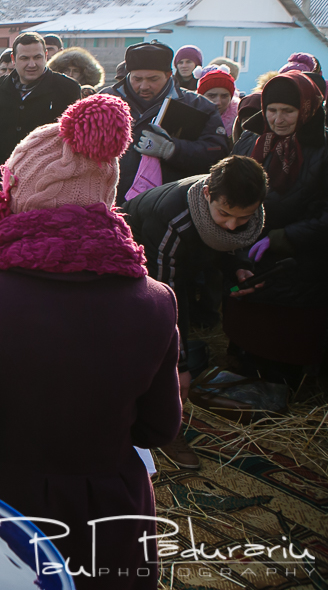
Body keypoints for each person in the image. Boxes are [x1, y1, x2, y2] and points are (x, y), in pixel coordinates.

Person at [0, 93, 181, 589]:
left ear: (20, 196)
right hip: (113, 527)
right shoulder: (157, 300)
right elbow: (159, 428)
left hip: (10, 526)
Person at [123, 155, 267, 468]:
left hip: (180, 264)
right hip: (134, 264)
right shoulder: (173, 220)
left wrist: (239, 268)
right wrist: (178, 363)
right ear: (206, 195)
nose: (232, 225)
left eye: (242, 219)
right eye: (225, 214)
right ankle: (159, 422)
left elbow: (226, 243)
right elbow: (166, 301)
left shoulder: (237, 208)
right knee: (143, 345)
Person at [226, 72, 327, 380]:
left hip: (301, 257)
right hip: (247, 244)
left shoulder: (322, 149)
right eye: (272, 110)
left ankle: (287, 382)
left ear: (306, 109)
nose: (278, 119)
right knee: (249, 316)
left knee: (288, 332)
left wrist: (284, 237)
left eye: (288, 111)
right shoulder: (250, 140)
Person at [103, 41, 229, 204]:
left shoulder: (198, 106)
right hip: (110, 202)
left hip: (172, 206)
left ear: (169, 74)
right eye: (137, 79)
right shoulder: (104, 102)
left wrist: (172, 150)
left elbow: (218, 153)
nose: (144, 86)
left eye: (153, 79)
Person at [0, 31, 82, 169]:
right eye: (24, 58)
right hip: (3, 174)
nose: (32, 64)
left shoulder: (67, 88)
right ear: (13, 58)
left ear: (46, 56)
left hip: (47, 176)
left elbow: (73, 139)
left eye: (37, 57)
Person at [196, 65, 238, 135]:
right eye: (212, 96)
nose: (218, 102)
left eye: (224, 96)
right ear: (201, 96)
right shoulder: (189, 119)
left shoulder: (239, 123)